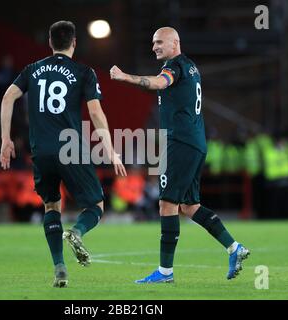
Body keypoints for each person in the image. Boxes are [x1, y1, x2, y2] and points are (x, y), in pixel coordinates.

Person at [110, 27, 249, 283]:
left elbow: (159, 82)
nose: (155, 47)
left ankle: (165, 273)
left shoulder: (174, 66)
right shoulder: (191, 66)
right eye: (153, 43)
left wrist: (126, 77)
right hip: (194, 141)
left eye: (160, 42)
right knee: (190, 206)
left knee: (167, 204)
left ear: (175, 43)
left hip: (182, 143)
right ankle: (234, 248)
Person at [0, 21, 126, 288]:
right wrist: (111, 150)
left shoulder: (32, 70)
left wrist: (5, 140)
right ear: (74, 43)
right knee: (95, 206)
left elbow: (8, 97)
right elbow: (94, 113)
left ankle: (59, 267)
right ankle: (77, 233)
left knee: (51, 205)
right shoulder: (84, 72)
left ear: (50, 42)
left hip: (41, 150)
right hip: (70, 148)